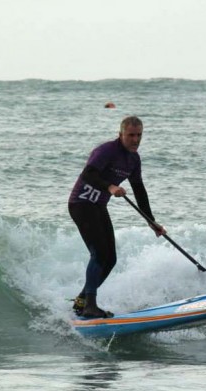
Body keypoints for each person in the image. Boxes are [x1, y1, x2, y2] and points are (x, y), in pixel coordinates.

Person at [68, 116, 166, 319]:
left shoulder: (133, 159)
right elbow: (88, 174)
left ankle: (82, 301)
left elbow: (139, 189)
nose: (135, 140)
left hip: (98, 206)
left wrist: (151, 221)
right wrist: (110, 186)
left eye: (139, 135)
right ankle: (90, 306)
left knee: (110, 259)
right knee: (99, 253)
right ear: (120, 134)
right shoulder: (106, 151)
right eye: (131, 135)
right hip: (81, 204)